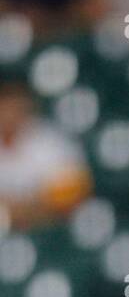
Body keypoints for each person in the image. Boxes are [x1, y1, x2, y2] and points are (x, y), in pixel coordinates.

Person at [0, 80, 90, 229]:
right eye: (4, 106)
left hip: (46, 232)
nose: (9, 114)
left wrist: (20, 212)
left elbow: (72, 204)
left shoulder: (53, 143)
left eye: (16, 107)